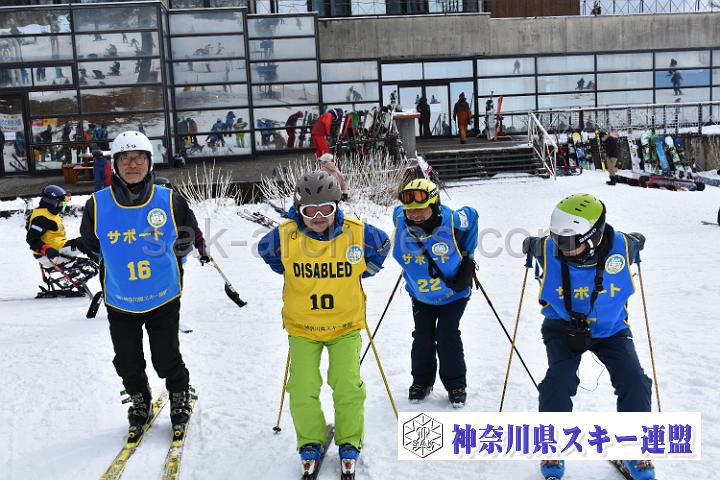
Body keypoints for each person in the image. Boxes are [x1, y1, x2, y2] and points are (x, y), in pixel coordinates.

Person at [79, 131, 210, 442]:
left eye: (139, 158)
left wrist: (176, 259)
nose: (132, 164)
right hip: (120, 298)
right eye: (125, 159)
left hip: (163, 296)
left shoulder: (169, 200)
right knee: (127, 360)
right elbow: (91, 243)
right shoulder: (96, 204)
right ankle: (140, 398)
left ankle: (179, 393)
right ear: (115, 164)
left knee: (166, 356)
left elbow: (188, 234)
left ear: (149, 162)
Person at [258, 171, 390, 478]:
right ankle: (310, 440)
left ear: (337, 206)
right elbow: (267, 252)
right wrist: (289, 270)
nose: (318, 217)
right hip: (303, 328)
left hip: (345, 325)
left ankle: (349, 440)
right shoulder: (285, 235)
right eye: (310, 211)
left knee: (347, 385)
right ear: (298, 210)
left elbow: (383, 245)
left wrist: (365, 270)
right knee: (302, 387)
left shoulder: (356, 233)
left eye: (325, 209)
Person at [522, 193, 654, 480]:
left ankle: (633, 449)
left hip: (611, 329)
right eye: (557, 239)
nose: (562, 248)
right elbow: (541, 245)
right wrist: (532, 246)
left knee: (635, 380)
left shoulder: (623, 247)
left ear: (593, 237)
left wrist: (637, 242)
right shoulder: (547, 248)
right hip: (562, 325)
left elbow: (634, 242)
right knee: (558, 381)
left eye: (570, 242)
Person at [392, 178, 479, 407]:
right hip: (420, 295)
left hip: (453, 294)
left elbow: (472, 215)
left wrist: (468, 256)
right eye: (410, 210)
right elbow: (396, 213)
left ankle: (456, 385)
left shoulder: (452, 220)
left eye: (421, 209)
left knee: (447, 335)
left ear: (435, 205)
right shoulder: (400, 218)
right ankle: (421, 382)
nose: (415, 215)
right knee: (423, 337)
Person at [26, 185, 86, 268]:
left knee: (88, 240)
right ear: (52, 202)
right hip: (50, 254)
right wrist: (46, 249)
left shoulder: (50, 213)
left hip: (59, 246)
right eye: (61, 203)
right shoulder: (41, 218)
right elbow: (31, 238)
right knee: (88, 242)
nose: (62, 206)